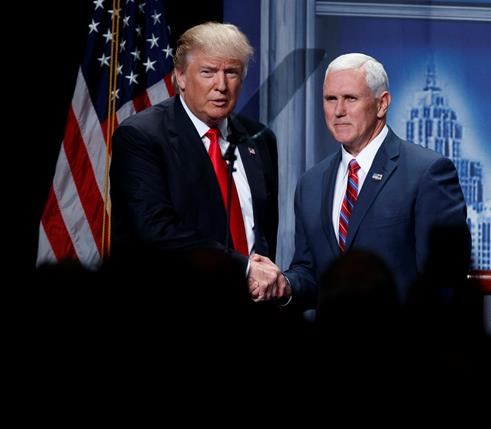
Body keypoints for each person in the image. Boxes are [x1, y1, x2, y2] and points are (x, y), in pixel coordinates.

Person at [257, 52, 470, 308]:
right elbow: (309, 271)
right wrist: (285, 284)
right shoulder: (311, 183)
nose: (338, 111)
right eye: (330, 99)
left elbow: (444, 281)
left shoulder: (427, 173)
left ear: (382, 104)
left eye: (350, 98)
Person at [110, 22, 282, 288]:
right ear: (180, 77)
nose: (221, 85)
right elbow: (156, 231)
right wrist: (243, 269)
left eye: (232, 72)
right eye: (208, 72)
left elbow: (266, 232)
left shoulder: (259, 139)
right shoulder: (141, 136)